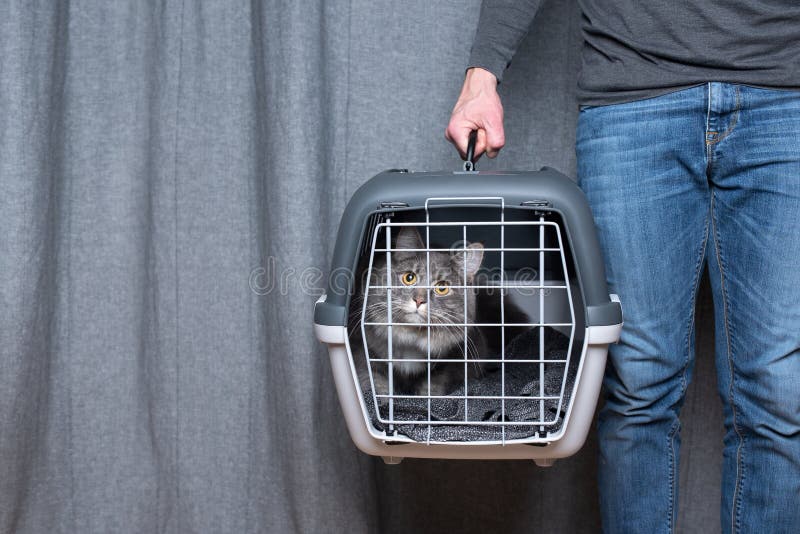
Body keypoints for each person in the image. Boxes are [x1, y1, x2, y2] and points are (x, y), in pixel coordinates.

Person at [445, 1, 800, 533]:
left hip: (786, 94)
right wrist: (481, 76)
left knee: (776, 390)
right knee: (639, 384)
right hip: (633, 94)